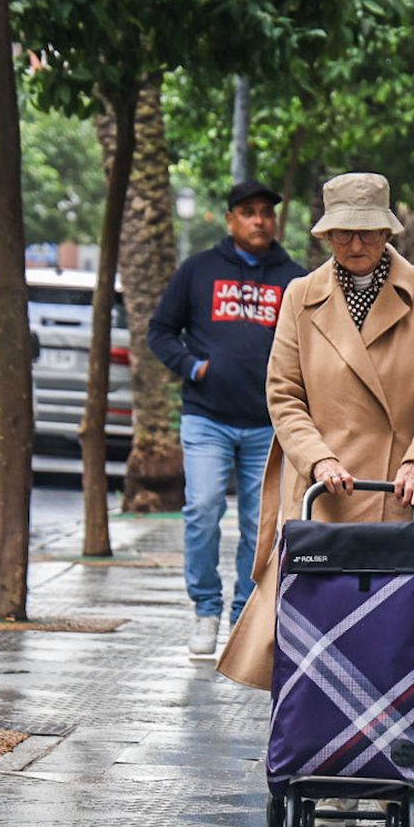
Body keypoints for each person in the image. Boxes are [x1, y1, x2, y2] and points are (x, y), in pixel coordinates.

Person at [218, 171, 414, 697]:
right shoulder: (301, 296)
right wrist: (318, 461)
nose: (356, 243)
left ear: (389, 232)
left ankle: (391, 749)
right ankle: (315, 744)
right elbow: (284, 394)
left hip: (400, 489)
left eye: (368, 231)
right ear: (325, 236)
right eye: (343, 232)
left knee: (395, 636)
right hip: (325, 493)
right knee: (316, 639)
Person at [148, 180, 307, 657]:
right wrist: (193, 366)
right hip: (207, 418)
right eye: (248, 212)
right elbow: (160, 331)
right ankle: (205, 608)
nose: (259, 220)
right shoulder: (199, 270)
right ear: (230, 219)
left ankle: (243, 614)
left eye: (266, 212)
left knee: (261, 524)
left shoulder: (295, 280)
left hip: (269, 425)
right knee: (202, 510)